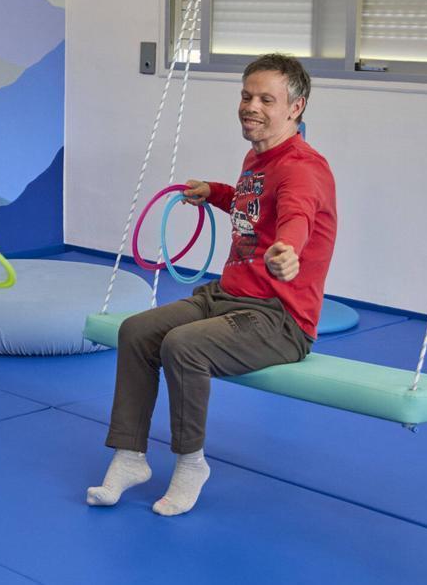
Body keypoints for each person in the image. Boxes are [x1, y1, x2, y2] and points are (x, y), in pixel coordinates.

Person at [86, 53, 336, 516]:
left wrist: (289, 250)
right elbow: (253, 202)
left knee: (184, 346)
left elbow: (296, 214)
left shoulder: (302, 167)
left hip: (279, 319)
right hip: (228, 297)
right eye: (246, 95)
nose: (251, 107)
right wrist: (216, 193)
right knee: (136, 331)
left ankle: (191, 463)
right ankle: (130, 456)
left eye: (266, 99)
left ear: (295, 108)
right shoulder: (259, 154)